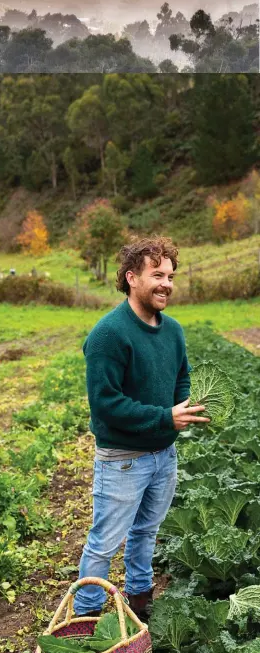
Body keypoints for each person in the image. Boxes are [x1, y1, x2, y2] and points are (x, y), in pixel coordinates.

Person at [74, 237, 210, 622]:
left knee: (146, 532)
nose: (166, 283)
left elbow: (181, 379)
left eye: (170, 275)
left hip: (164, 455)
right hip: (123, 461)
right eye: (157, 275)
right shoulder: (109, 334)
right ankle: (84, 620)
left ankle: (139, 600)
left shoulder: (173, 331)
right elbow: (106, 404)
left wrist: (184, 408)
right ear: (132, 278)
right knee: (104, 544)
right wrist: (165, 417)